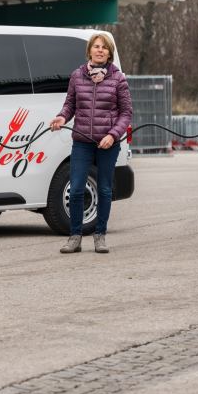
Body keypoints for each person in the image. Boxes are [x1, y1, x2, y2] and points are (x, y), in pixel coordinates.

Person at [49, 32, 133, 254]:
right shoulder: (77, 76)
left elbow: (126, 113)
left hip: (108, 143)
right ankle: (75, 237)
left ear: (109, 53)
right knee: (76, 189)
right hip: (82, 141)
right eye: (96, 46)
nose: (100, 50)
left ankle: (100, 236)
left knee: (104, 189)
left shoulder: (118, 79)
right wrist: (61, 117)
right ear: (89, 51)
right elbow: (70, 105)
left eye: (104, 47)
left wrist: (113, 135)